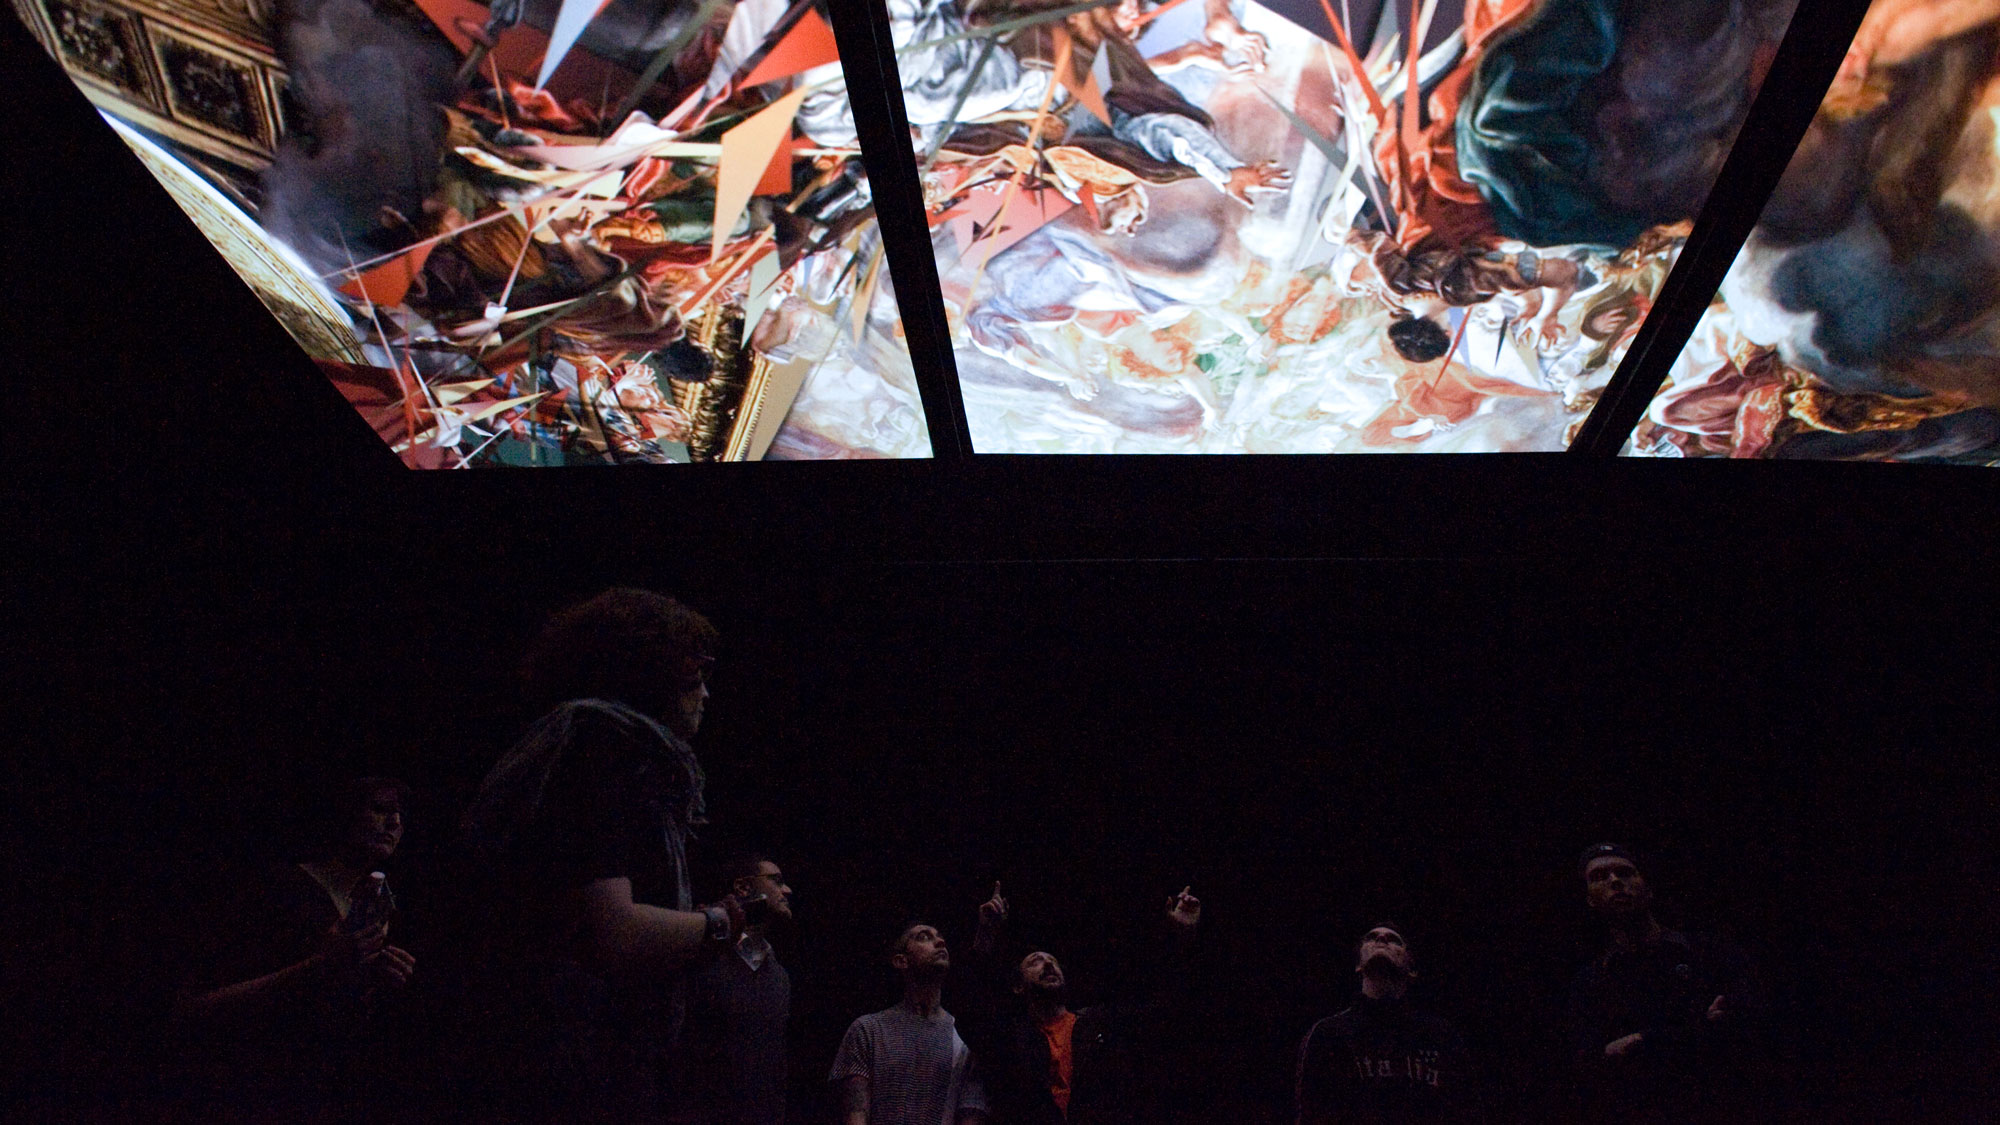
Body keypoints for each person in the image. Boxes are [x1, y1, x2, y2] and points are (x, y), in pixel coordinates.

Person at [449, 588, 753, 1122]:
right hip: (577, 1069)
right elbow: (613, 933)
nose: (705, 693)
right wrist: (722, 924)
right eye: (694, 673)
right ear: (649, 670)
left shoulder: (594, 748)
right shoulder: (598, 742)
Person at [169, 777, 418, 1122]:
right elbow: (193, 1009)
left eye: (401, 814)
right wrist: (318, 967)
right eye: (380, 809)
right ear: (345, 813)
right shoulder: (278, 890)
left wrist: (381, 984)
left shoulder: (379, 909)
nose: (395, 823)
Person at [954, 881, 1203, 1124]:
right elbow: (969, 1013)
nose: (1049, 964)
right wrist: (985, 936)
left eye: (1052, 960)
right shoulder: (1012, 1039)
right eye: (1035, 961)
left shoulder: (1098, 1026)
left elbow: (1169, 1010)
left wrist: (1183, 939)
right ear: (1018, 987)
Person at [1567, 844, 1767, 1124]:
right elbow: (1593, 1065)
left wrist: (1642, 1039)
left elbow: (1746, 1031)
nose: (1614, 881)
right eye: (1599, 877)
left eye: (1624, 872)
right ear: (1590, 899)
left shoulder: (1712, 952)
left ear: (1648, 888)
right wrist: (1696, 1027)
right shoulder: (1591, 981)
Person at [1294, 924, 1483, 1124]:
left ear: (1412, 968)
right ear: (1358, 964)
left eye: (1394, 940)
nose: (1381, 939)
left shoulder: (1441, 1036)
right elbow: (1311, 1113)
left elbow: (1467, 1110)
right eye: (1371, 937)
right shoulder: (1328, 1034)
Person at [667, 850, 796, 1125]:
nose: (787, 889)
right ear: (743, 887)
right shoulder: (697, 959)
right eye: (776, 880)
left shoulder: (780, 977)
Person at [830, 921, 991, 1125]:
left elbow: (971, 1114)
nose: (940, 942)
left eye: (940, 937)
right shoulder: (868, 1030)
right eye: (924, 937)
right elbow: (856, 1113)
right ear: (901, 961)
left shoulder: (963, 1037)